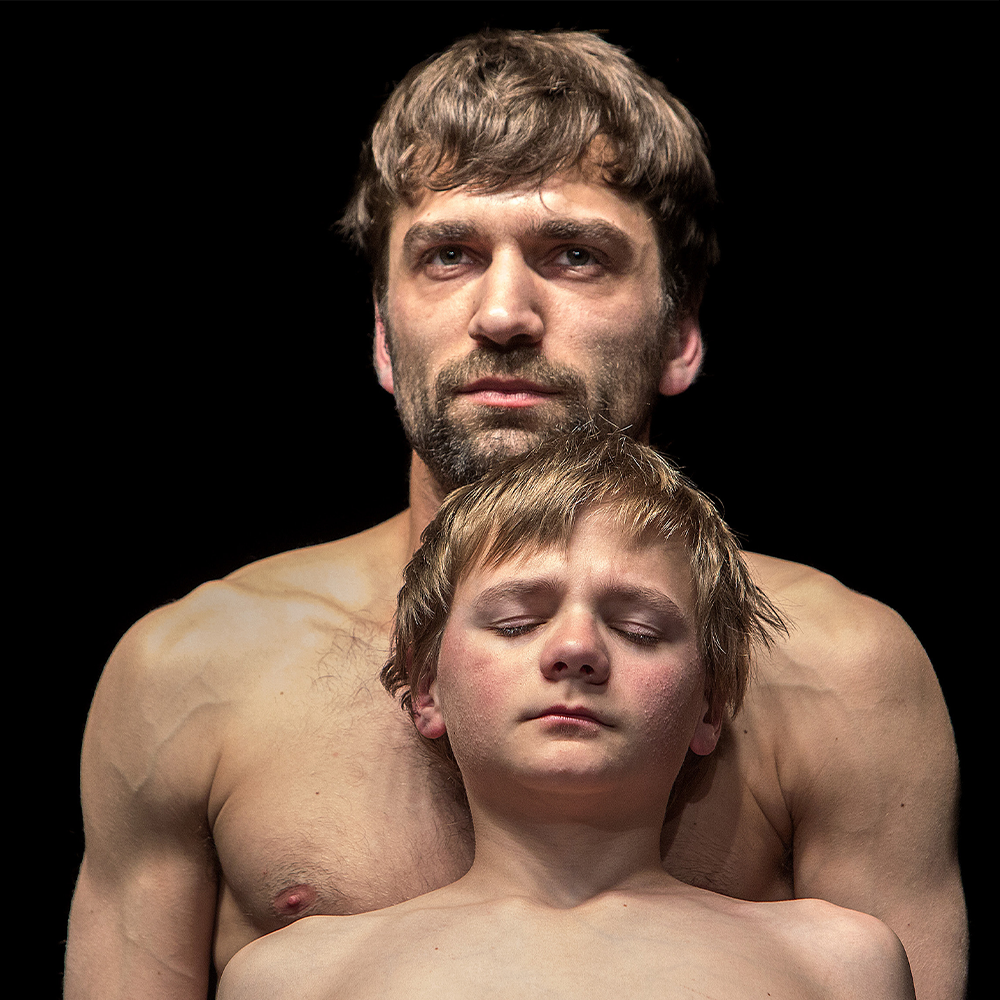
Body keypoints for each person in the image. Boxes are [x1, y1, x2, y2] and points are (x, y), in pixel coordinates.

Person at [64, 28, 964, 1000]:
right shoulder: (194, 671)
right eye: (448, 254)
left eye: (573, 254)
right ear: (381, 328)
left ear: (680, 328)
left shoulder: (843, 669)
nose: (502, 313)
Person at [217, 431, 915, 1000]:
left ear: (711, 705)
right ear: (426, 686)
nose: (577, 649)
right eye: (519, 621)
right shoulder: (294, 978)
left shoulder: (842, 966)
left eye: (639, 629)